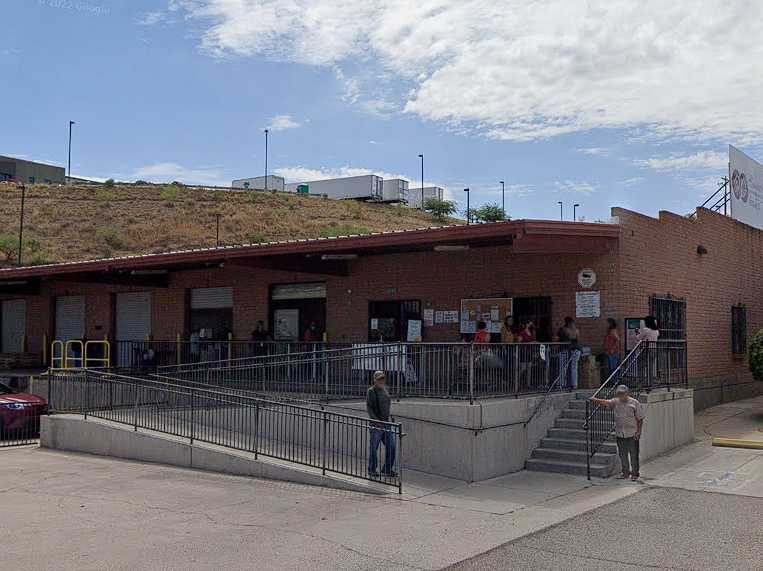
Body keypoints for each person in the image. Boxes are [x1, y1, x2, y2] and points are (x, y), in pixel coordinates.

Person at [590, 385, 645, 481]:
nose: (620, 395)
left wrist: (638, 432)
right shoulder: (615, 401)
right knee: (622, 455)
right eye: (619, 393)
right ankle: (625, 473)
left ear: (627, 393)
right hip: (620, 433)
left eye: (622, 394)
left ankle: (635, 474)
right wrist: (594, 399)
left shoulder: (634, 403)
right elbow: (605, 402)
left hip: (632, 433)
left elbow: (640, 419)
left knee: (634, 455)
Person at [366, 371, 396, 478]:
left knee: (392, 446)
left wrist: (390, 416)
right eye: (379, 379)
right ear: (374, 380)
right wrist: (376, 421)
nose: (381, 381)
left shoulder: (385, 390)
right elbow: (370, 408)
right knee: (374, 447)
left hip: (386, 423)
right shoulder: (371, 391)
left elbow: (386, 405)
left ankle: (387, 469)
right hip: (377, 424)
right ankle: (372, 469)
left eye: (382, 379)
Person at [557, 317, 581, 389]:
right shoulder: (576, 331)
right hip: (576, 350)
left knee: (563, 367)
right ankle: (574, 385)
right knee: (574, 367)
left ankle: (562, 384)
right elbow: (578, 340)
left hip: (566, 350)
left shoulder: (564, 330)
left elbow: (557, 339)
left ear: (566, 322)